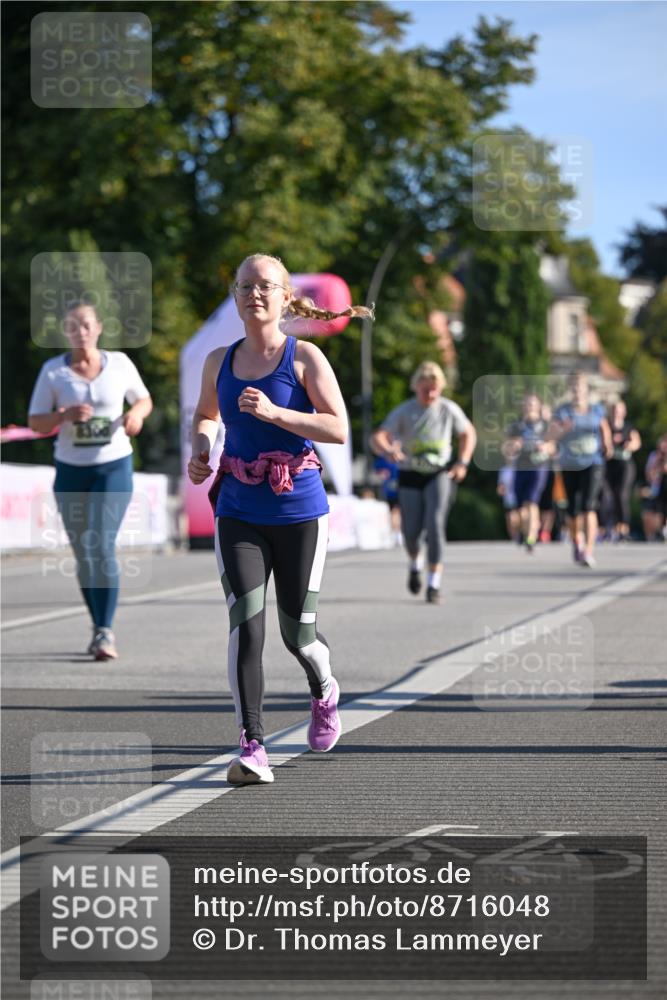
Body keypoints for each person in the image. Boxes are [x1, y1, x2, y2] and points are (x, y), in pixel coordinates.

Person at [187, 253, 372, 786]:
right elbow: (206, 414)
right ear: (235, 296)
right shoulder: (218, 360)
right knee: (246, 623)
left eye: (265, 286)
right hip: (238, 507)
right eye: (245, 286)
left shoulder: (304, 357)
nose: (254, 294)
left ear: (285, 296)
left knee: (298, 634)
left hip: (299, 511)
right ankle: (252, 745)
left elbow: (337, 428)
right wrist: (202, 448)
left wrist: (276, 414)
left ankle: (324, 690)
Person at [28, 300, 153, 659]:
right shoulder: (54, 372)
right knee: (84, 553)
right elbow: (36, 422)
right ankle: (98, 626)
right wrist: (62, 415)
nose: (80, 332)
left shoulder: (120, 364)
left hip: (113, 466)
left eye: (86, 325)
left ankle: (106, 631)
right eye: (72, 326)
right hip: (71, 470)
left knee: (101, 544)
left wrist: (136, 416)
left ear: (98, 328)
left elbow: (143, 400)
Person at [371, 361, 476, 604]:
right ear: (416, 387)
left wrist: (462, 462)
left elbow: (468, 433)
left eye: (434, 389)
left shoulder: (448, 409)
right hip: (410, 473)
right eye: (425, 389)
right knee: (411, 533)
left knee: (435, 524)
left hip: (438, 473)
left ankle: (433, 584)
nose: (430, 394)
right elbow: (378, 436)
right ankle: (415, 563)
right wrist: (388, 450)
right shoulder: (405, 411)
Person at [549, 373, 612, 568]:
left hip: (593, 462)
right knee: (572, 510)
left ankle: (589, 550)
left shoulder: (596, 409)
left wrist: (607, 444)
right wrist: (564, 430)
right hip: (569, 464)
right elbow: (551, 435)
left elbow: (603, 427)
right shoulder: (563, 411)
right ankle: (577, 541)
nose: (577, 390)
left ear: (586, 390)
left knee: (589, 506)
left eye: (580, 387)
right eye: (574, 387)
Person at [503, 392, 553, 552]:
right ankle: (525, 533)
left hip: (538, 466)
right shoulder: (516, 425)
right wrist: (514, 446)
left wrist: (545, 447)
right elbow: (506, 449)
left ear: (538, 406)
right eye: (526, 403)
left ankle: (531, 537)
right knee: (520, 507)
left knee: (531, 501)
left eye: (532, 403)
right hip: (520, 467)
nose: (529, 406)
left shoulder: (546, 425)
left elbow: (554, 446)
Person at [604, 400, 641, 540]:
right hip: (609, 464)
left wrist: (629, 445)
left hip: (625, 465)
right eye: (614, 409)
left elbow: (637, 443)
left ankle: (624, 527)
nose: (616, 412)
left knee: (621, 494)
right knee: (608, 495)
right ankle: (611, 527)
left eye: (619, 409)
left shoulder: (628, 426)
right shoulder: (606, 426)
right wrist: (608, 443)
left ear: (624, 412)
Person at [641, 433, 667, 541]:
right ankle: (654, 534)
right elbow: (649, 474)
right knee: (652, 511)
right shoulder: (654, 456)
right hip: (656, 489)